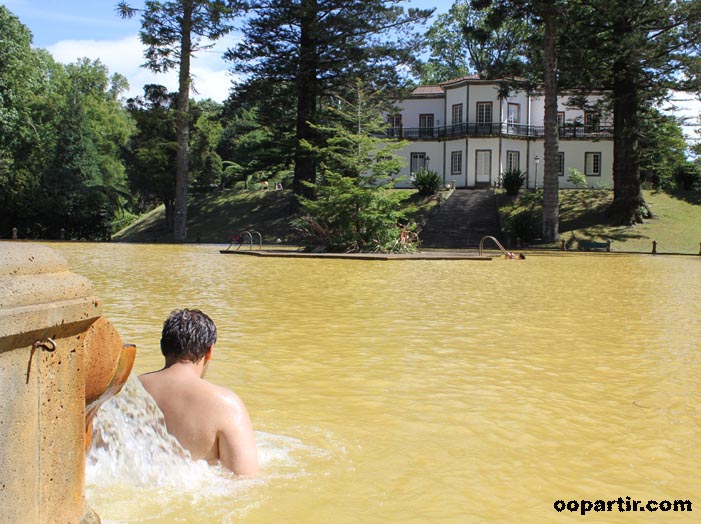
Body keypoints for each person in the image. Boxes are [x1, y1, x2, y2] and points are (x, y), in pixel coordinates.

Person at [139, 309, 259, 477]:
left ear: (163, 347)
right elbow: (245, 477)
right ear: (209, 351)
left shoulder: (127, 390)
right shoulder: (225, 404)